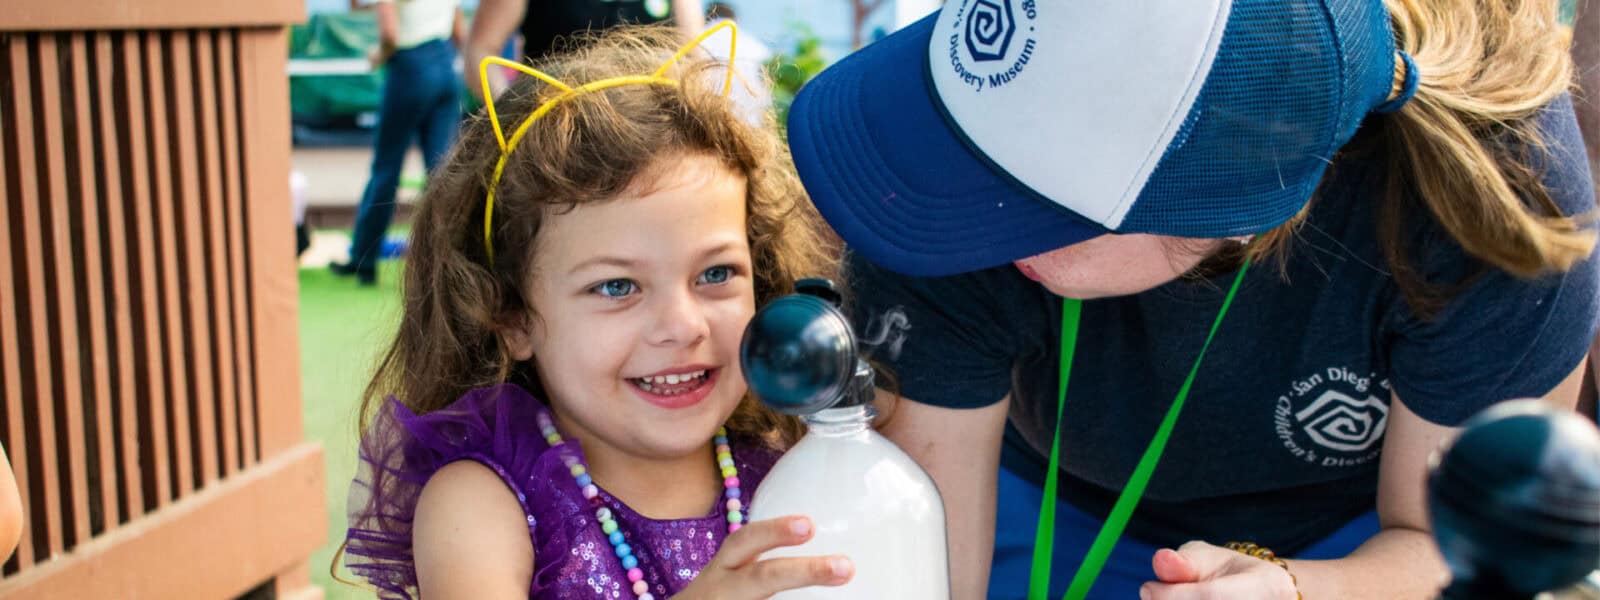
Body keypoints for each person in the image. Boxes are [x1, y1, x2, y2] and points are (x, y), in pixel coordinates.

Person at [784, 0, 1599, 598]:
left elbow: (1452, 548)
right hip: (1039, 490)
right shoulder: (933, 174)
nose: (955, 194)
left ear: (1234, 208)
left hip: (1361, 533)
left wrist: (1299, 592)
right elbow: (929, 576)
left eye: (1033, 193)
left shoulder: (1501, 198)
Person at [340, 25, 852, 599]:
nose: (683, 326)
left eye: (715, 274)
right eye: (616, 287)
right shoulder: (482, 502)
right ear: (511, 317)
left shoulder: (793, 465)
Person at [330, 0, 466, 286]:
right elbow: (459, 31)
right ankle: (447, 264)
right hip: (444, 67)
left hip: (409, 68)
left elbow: (390, 33)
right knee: (443, 174)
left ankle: (363, 261)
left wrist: (378, 55)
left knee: (386, 168)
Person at [463, 0, 706, 102]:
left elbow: (695, 55)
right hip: (555, 146)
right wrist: (515, 118)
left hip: (654, 138)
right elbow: (480, 51)